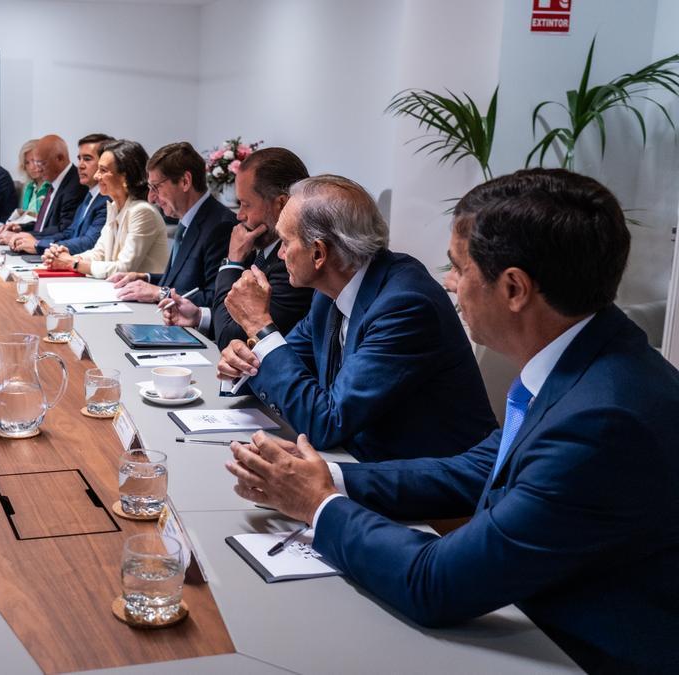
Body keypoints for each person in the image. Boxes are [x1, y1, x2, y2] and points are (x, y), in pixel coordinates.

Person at [225, 169, 679, 673]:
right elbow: (474, 468)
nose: (448, 282)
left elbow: (433, 582)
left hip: (570, 651)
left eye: (459, 268)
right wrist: (327, 476)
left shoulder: (602, 421)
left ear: (513, 289)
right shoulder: (590, 355)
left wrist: (317, 504)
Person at [217, 174, 494, 461]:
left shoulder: (405, 305)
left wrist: (259, 326)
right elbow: (282, 364)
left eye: (286, 241)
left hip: (427, 486)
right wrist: (242, 361)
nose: (281, 253)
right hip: (352, 459)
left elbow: (326, 423)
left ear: (318, 253)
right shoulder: (329, 293)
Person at [161, 147, 312, 349]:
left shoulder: (292, 265)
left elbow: (231, 337)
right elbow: (236, 317)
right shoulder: (262, 250)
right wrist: (200, 316)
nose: (239, 215)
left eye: (245, 204)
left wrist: (232, 263)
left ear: (281, 204)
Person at [108, 142, 235, 308]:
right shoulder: (188, 220)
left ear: (184, 181)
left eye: (156, 187)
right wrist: (145, 278)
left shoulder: (221, 227)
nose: (151, 198)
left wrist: (159, 292)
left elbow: (217, 299)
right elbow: (183, 282)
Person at [42, 139, 169, 279]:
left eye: (103, 170)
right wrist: (61, 258)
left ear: (125, 177)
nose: (97, 176)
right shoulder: (114, 207)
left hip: (143, 298)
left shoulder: (143, 212)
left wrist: (72, 262)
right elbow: (99, 254)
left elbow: (123, 269)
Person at [5, 133, 112, 256]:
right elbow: (69, 232)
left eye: (87, 159)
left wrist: (38, 244)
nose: (80, 165)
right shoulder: (90, 195)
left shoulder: (105, 198)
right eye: (79, 159)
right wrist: (30, 238)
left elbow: (89, 242)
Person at [0, 134, 85, 241]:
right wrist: (20, 228)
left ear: (60, 158)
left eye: (41, 163)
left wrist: (21, 238)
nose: (37, 168)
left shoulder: (75, 185)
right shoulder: (54, 181)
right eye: (32, 162)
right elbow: (44, 224)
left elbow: (64, 230)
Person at [15, 138, 48, 216]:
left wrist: (29, 215)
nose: (32, 167)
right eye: (27, 163)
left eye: (34, 160)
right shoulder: (29, 187)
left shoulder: (51, 186)